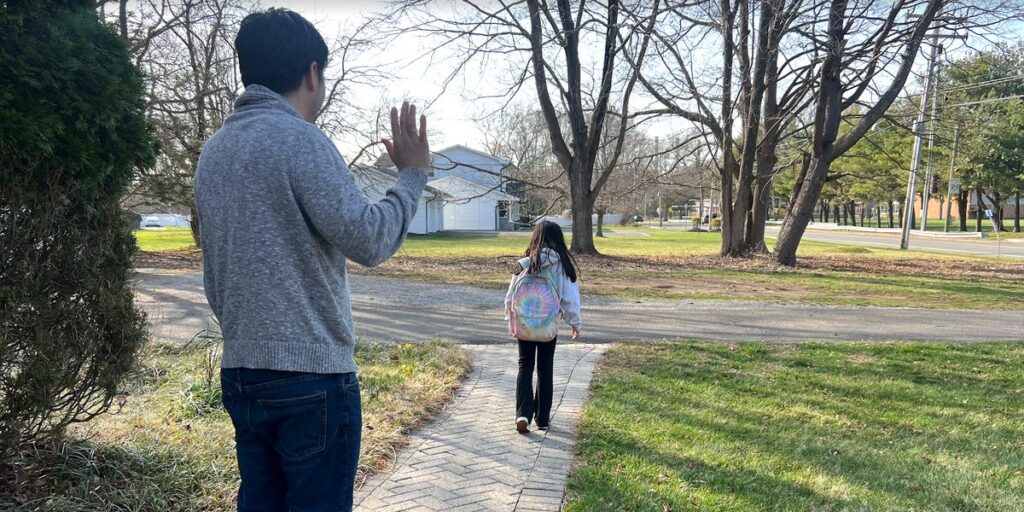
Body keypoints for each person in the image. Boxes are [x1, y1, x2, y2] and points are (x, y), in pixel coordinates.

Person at [194, 8, 431, 511]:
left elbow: (218, 271)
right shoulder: (300, 140)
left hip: (242, 373)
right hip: (310, 380)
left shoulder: (214, 151)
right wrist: (411, 176)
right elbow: (369, 239)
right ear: (311, 73)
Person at [504, 221, 582, 433]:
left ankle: (523, 414)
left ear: (535, 237)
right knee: (545, 368)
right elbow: (569, 298)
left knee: (525, 366)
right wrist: (574, 322)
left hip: (525, 324)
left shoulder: (524, 263)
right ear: (559, 239)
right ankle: (543, 418)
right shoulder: (562, 265)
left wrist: (511, 319)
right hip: (548, 326)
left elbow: (510, 296)